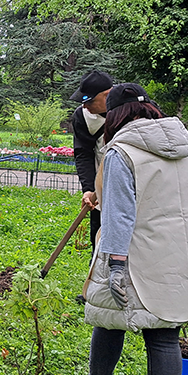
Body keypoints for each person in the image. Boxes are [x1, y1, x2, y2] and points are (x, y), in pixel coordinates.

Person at [82, 83, 188, 375]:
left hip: (136, 252)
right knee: (164, 336)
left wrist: (115, 264)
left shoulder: (121, 153)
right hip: (180, 255)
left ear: (116, 115)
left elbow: (118, 214)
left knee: (108, 319)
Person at [69, 70, 113, 247]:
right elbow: (83, 153)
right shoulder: (82, 116)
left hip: (134, 188)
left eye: (90, 101)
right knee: (98, 238)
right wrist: (88, 189)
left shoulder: (133, 110)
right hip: (101, 188)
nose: (85, 106)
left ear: (107, 95)